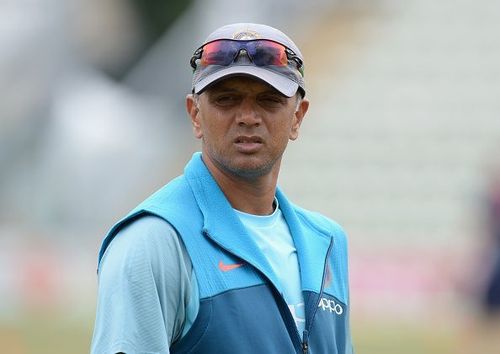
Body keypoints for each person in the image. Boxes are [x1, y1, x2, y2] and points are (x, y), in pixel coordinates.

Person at [91, 22, 353, 354]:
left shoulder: (327, 242)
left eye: (269, 100)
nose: (247, 116)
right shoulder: (153, 242)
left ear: (297, 117)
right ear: (195, 114)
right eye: (226, 99)